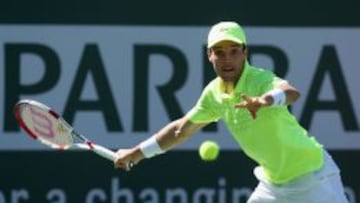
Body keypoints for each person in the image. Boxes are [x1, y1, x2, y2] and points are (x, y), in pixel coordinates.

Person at [114, 21, 349, 203]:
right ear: (209, 55)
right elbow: (179, 131)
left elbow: (291, 92)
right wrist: (136, 154)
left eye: (234, 51)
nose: (227, 59)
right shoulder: (213, 94)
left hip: (314, 179)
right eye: (220, 52)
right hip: (274, 186)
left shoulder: (260, 79)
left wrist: (265, 100)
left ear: (245, 52)